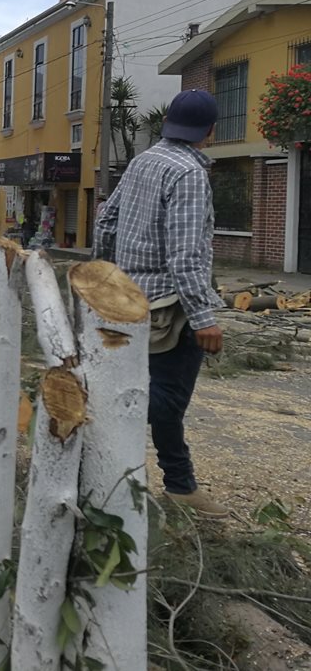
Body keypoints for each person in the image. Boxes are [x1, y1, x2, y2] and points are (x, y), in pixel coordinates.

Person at [93, 89, 227, 519]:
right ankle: (178, 484)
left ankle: (147, 475)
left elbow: (106, 220)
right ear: (209, 131)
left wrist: (111, 278)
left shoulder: (142, 162)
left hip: (128, 300)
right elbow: (186, 255)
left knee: (136, 385)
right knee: (167, 399)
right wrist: (204, 318)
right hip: (171, 307)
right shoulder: (189, 173)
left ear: (167, 122)